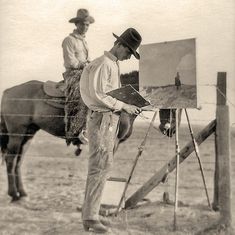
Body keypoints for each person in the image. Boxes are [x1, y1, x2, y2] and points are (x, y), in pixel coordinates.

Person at [80, 28, 142, 233]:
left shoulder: (110, 64)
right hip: (102, 118)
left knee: (103, 165)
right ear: (120, 45)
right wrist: (124, 106)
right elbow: (99, 94)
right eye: (128, 52)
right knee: (99, 166)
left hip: (108, 118)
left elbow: (109, 93)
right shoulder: (103, 64)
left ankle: (92, 215)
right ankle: (90, 217)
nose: (127, 58)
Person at [62, 9, 94, 145]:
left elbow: (87, 58)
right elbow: (71, 62)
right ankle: (76, 130)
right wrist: (84, 65)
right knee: (81, 94)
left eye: (87, 25)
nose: (85, 27)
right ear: (76, 24)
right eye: (82, 24)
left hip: (83, 71)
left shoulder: (84, 41)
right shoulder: (69, 40)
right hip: (73, 73)